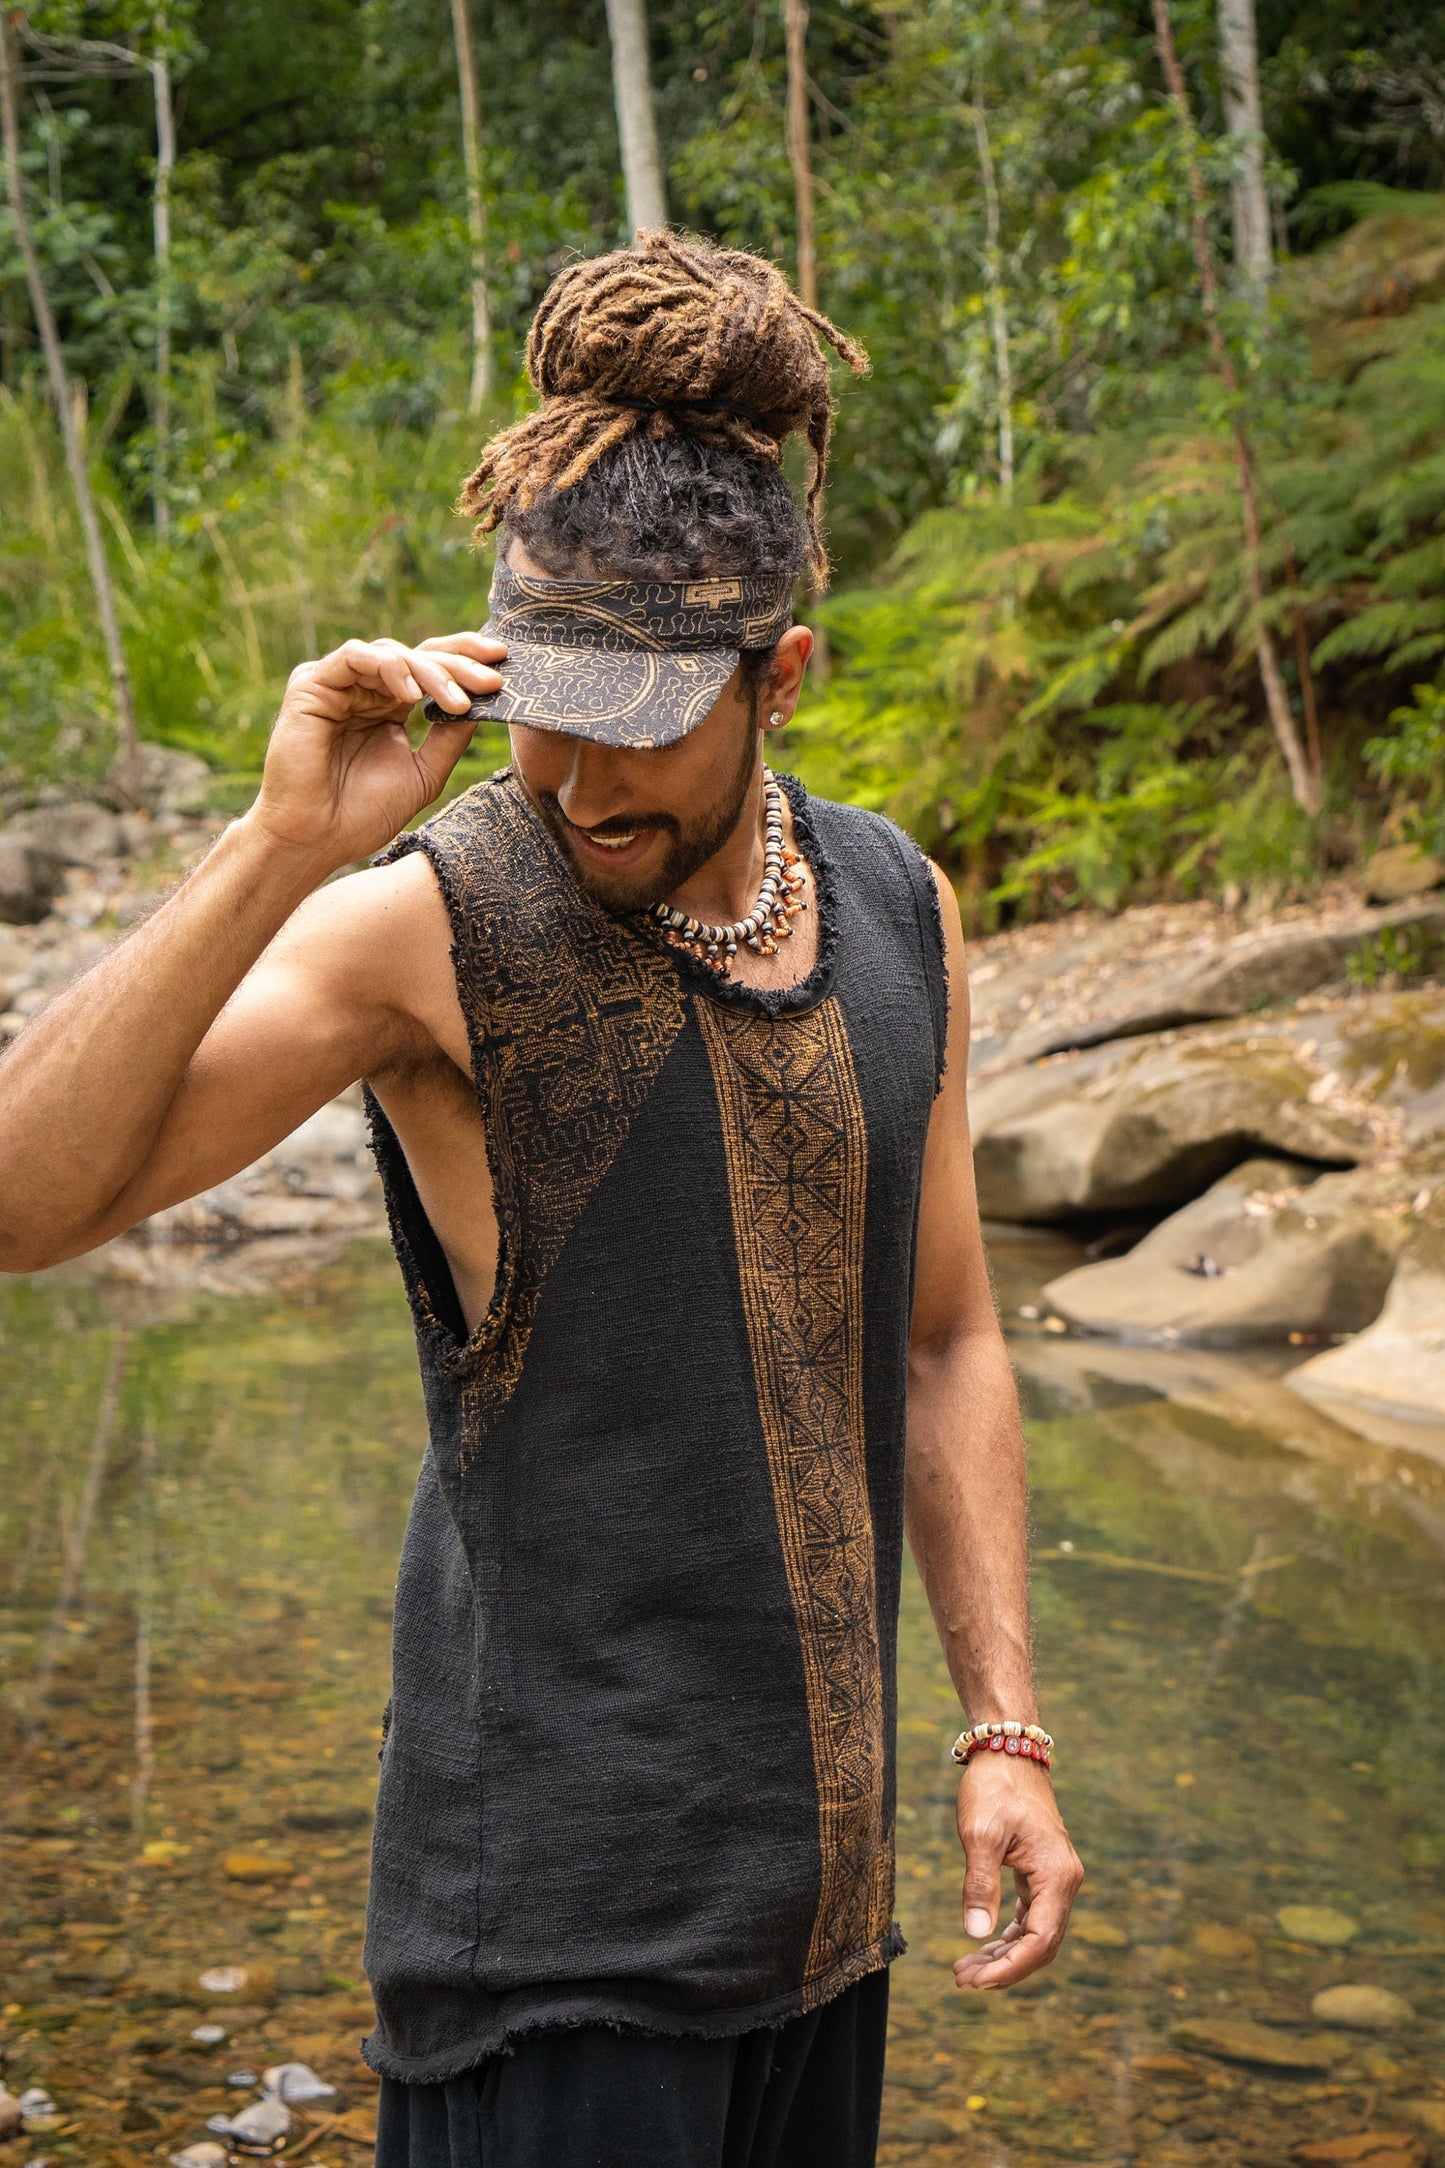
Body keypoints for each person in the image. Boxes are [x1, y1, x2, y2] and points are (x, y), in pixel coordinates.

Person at [0, 231, 1082, 2168]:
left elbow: (943, 1335)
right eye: (544, 700)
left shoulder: (903, 907)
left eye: (644, 714)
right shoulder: (433, 921)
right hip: (550, 1956)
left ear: (785, 675)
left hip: (826, 1921)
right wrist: (273, 845)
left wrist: (1005, 1725)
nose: (578, 771)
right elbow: (19, 1202)